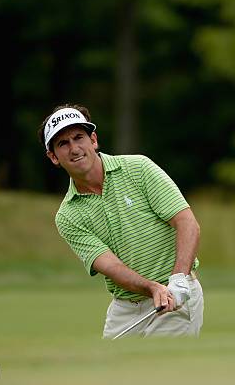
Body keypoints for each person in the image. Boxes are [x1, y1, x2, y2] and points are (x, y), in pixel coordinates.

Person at [37, 104, 203, 338]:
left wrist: (178, 280)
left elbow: (186, 223)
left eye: (78, 137)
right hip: (125, 308)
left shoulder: (138, 169)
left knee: (159, 372)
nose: (74, 148)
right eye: (63, 143)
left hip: (176, 295)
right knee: (106, 373)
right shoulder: (68, 215)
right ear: (53, 156)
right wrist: (152, 288)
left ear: (93, 139)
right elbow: (111, 267)